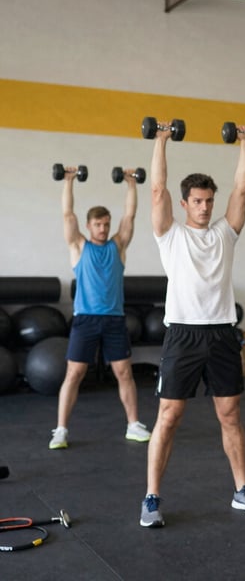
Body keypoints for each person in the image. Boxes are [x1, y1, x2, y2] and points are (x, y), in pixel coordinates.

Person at [139, 122, 245, 528]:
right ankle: (152, 497)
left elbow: (242, 190)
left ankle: (242, 490)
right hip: (183, 333)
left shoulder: (225, 234)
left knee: (230, 414)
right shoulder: (170, 236)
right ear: (184, 203)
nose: (205, 207)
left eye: (209, 201)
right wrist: (160, 140)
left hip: (222, 333)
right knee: (169, 416)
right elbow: (156, 190)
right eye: (197, 201)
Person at [49, 167, 151, 450]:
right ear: (89, 225)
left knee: (124, 373)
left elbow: (129, 216)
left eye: (106, 224)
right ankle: (61, 430)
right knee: (74, 374)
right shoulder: (79, 246)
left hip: (115, 320)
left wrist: (131, 183)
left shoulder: (118, 246)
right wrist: (69, 181)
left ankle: (133, 425)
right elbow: (68, 215)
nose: (104, 229)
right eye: (98, 224)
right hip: (86, 320)